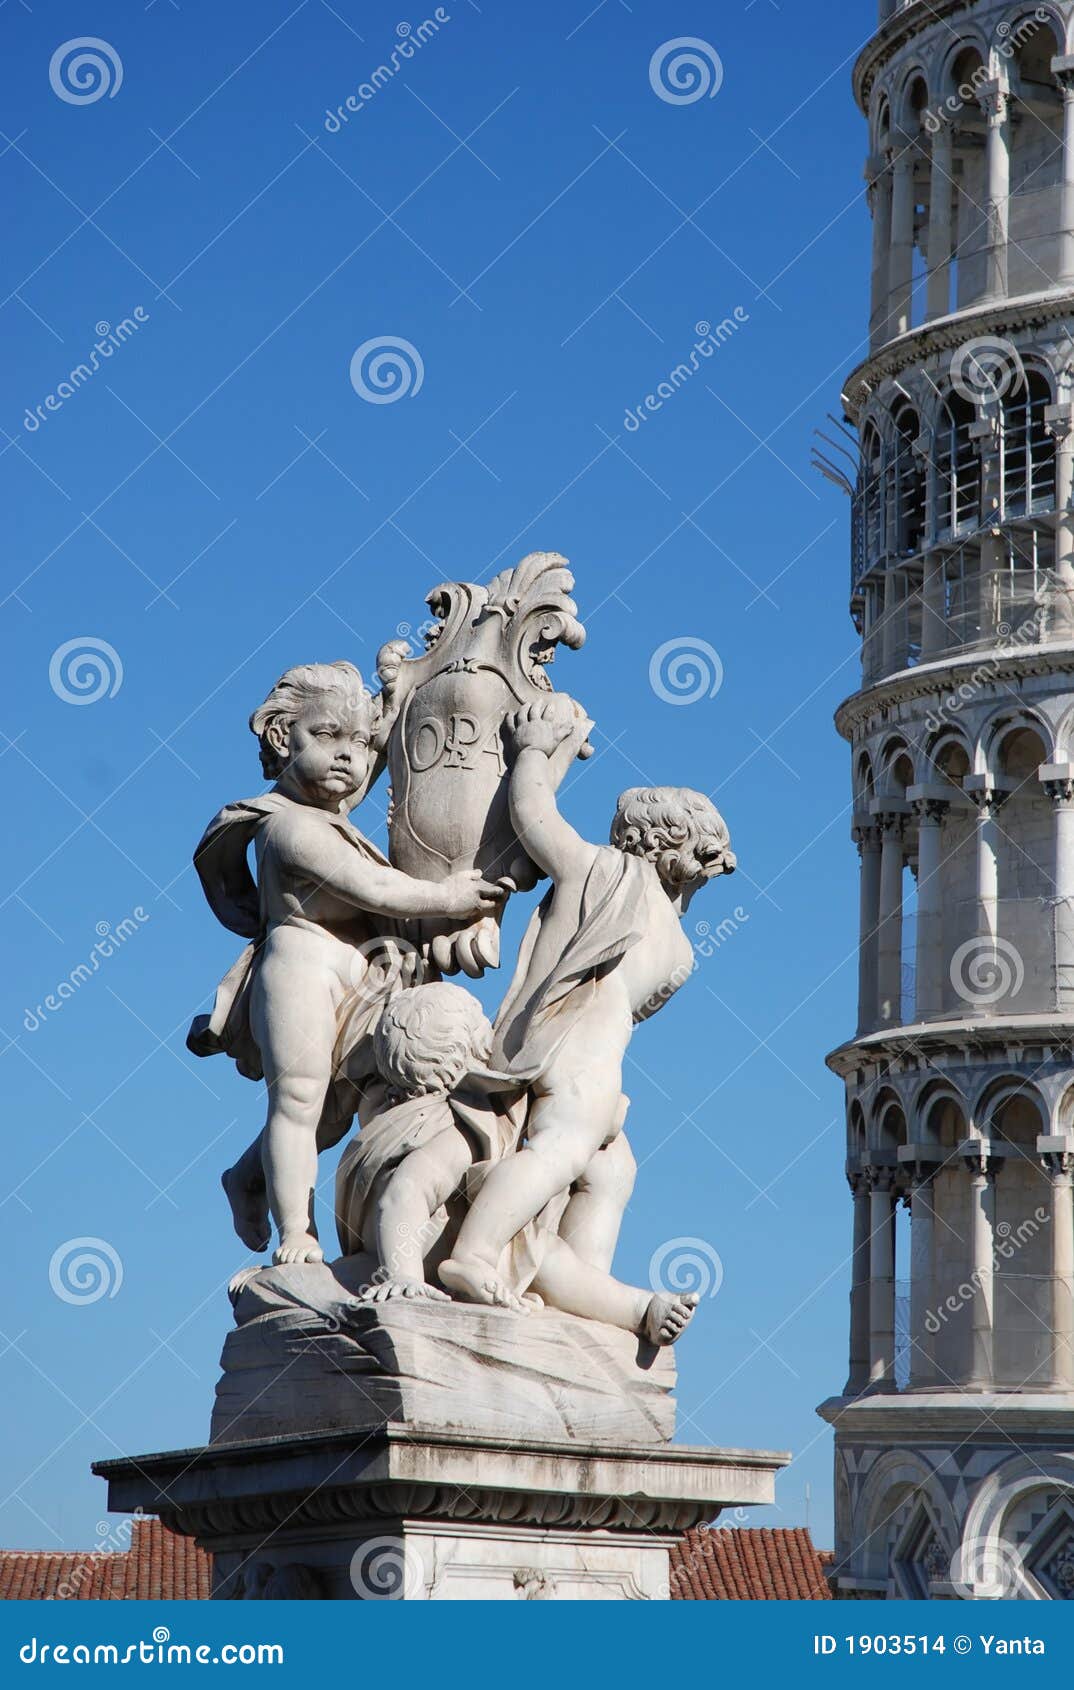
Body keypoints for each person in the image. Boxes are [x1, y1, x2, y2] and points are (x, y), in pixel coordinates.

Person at [187, 661, 504, 1264]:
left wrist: (396, 703)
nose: (348, 757)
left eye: (356, 744)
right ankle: (298, 1235)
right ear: (283, 739)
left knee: (334, 1114)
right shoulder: (285, 828)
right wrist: (450, 897)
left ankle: (247, 1176)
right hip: (301, 965)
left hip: (366, 972)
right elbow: (372, 888)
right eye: (327, 736)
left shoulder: (331, 807)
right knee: (300, 1102)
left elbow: (380, 759)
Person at [439, 696, 735, 1319]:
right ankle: (475, 1251)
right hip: (576, 1044)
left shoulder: (672, 932)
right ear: (662, 844)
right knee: (561, 1150)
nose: (713, 869)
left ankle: (579, 1290)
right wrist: (533, 752)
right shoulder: (602, 873)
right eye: (705, 853)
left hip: (599, 1057)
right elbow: (535, 817)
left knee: (611, 1166)